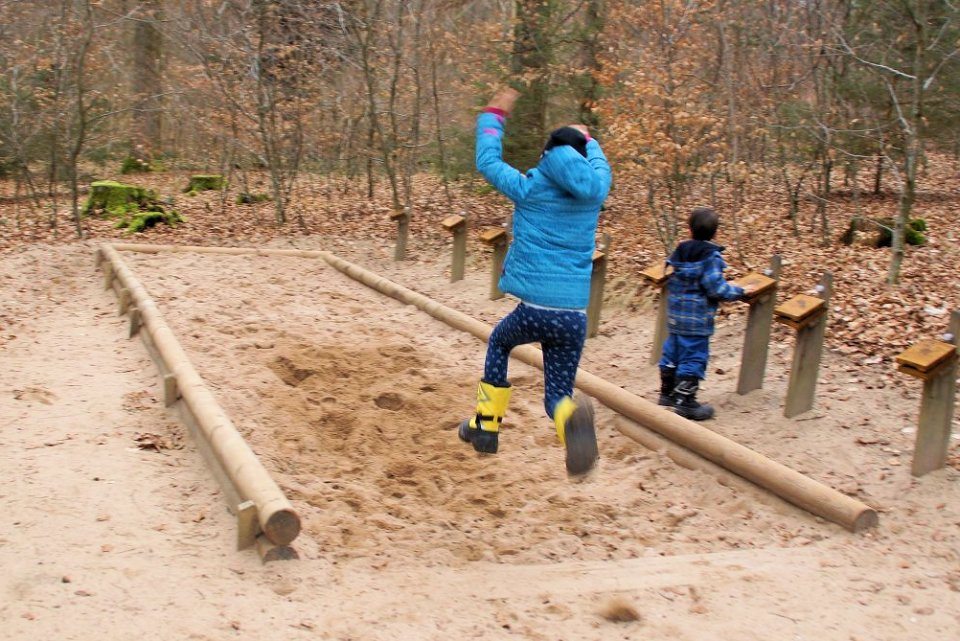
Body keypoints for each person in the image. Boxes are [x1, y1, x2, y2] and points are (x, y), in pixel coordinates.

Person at [458, 87, 612, 476]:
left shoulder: (530, 189)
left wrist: (494, 115)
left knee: (500, 341)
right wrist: (589, 141)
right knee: (557, 395)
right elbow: (599, 173)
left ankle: (486, 427)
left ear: (544, 157)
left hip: (536, 310)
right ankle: (569, 420)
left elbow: (487, 161)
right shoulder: (591, 196)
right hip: (574, 316)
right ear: (585, 159)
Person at [658, 207, 748, 420]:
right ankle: (686, 401)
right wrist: (740, 291)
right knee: (694, 356)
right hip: (696, 319)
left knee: (672, 351)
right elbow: (715, 288)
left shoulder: (680, 252)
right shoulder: (711, 257)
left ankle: (667, 393)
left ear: (689, 229)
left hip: (676, 314)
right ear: (715, 232)